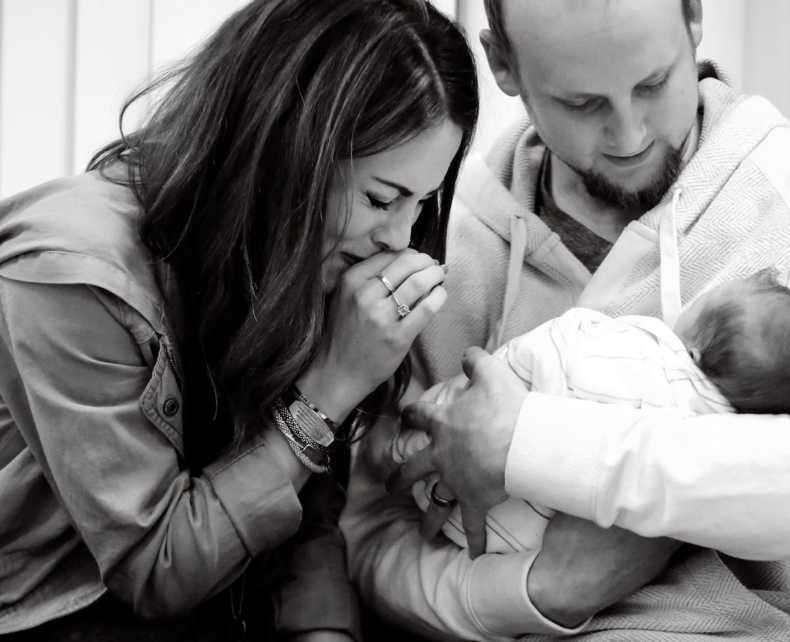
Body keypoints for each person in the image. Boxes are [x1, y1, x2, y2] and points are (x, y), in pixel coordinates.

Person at [341, 0, 790, 640]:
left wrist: (527, 442)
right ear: (503, 64)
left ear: (694, 22)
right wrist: (544, 591)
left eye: (653, 84)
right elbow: (371, 536)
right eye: (582, 105)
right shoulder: (436, 238)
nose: (630, 135)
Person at [0, 0, 478, 639]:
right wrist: (332, 387)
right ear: (283, 151)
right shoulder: (71, 273)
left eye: (420, 205)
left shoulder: (303, 257)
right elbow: (156, 569)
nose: (400, 238)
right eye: (381, 198)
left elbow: (306, 512)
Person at [369, 269, 790, 554]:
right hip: (511, 544)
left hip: (462, 463)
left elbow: (563, 346)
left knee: (422, 431)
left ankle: (383, 450)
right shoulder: (719, 441)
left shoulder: (647, 352)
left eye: (701, 304)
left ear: (693, 351)